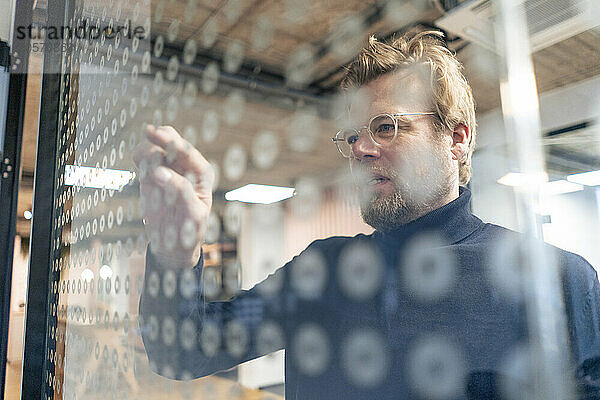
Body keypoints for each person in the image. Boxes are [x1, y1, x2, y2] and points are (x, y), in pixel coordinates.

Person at [135, 30, 600, 399]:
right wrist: (176, 254)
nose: (359, 148)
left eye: (386, 127)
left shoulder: (560, 281)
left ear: (456, 140)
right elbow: (179, 349)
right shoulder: (323, 273)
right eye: (354, 135)